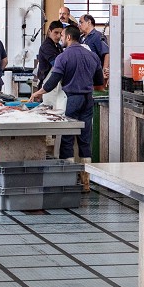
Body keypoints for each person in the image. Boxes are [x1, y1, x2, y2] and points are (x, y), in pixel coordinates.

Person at [30, 25, 104, 186]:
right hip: (88, 99)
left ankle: (69, 180)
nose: (61, 39)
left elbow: (52, 82)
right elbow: (99, 82)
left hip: (72, 100)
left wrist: (37, 93)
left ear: (69, 37)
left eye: (62, 36)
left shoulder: (63, 57)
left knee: (67, 138)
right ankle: (86, 180)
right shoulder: (92, 56)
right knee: (85, 139)